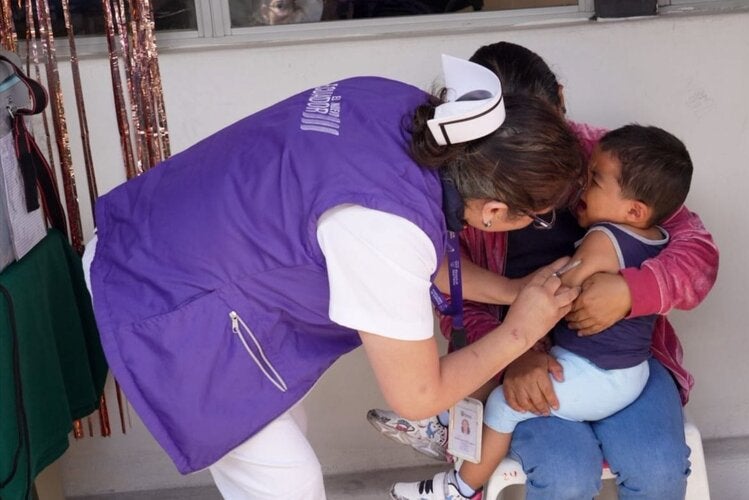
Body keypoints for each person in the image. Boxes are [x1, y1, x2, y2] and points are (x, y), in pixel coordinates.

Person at [84, 55, 587, 499]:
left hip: (156, 233)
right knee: (289, 482)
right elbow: (417, 397)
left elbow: (419, 249)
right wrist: (519, 330)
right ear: (495, 211)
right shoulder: (383, 227)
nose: (539, 225)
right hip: (162, 298)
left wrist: (512, 290)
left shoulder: (405, 110)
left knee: (281, 426)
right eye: (537, 216)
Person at [368, 42, 719, 499]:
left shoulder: (612, 161)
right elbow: (457, 293)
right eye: (509, 141)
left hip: (628, 360)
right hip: (527, 366)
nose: (529, 158)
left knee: (658, 468)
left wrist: (633, 291)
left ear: (560, 99)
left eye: (540, 133)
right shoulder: (471, 189)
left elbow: (697, 254)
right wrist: (514, 353)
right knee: (566, 474)